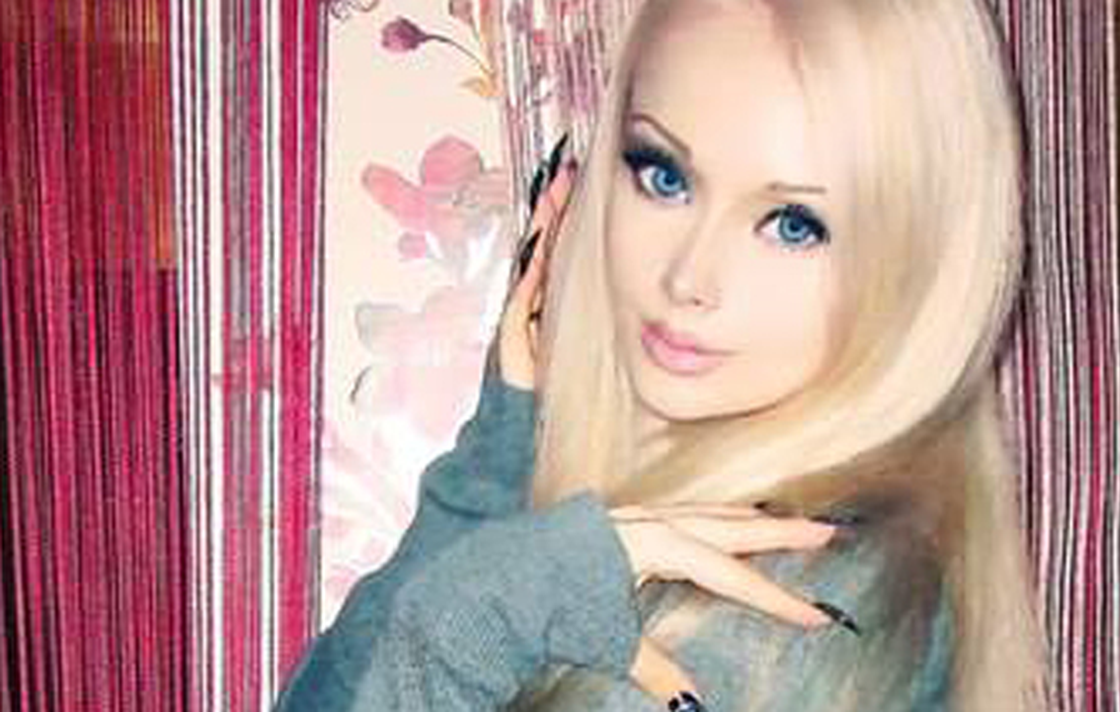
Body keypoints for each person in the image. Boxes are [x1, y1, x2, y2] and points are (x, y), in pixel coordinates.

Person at [275, 0, 1045, 709]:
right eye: (664, 176)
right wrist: (490, 480)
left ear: (917, 265)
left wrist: (474, 619)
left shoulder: (786, 607)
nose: (688, 278)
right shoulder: (657, 543)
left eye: (792, 225)